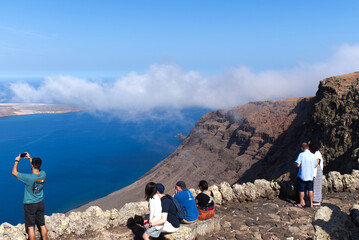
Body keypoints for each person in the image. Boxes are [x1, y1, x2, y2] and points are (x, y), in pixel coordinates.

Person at [12, 152, 47, 240]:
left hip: (30, 204)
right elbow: (36, 167)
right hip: (40, 203)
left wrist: (17, 161)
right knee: (42, 225)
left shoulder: (28, 178)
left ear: (32, 165)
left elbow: (14, 172)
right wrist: (30, 159)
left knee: (31, 227)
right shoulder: (43, 174)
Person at [295, 142, 317, 208]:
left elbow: (298, 165)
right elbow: (315, 165)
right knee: (310, 189)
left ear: (302, 148)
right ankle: (311, 203)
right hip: (310, 175)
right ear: (308, 148)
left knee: (301, 190)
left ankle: (301, 202)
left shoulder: (301, 155)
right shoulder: (313, 155)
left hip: (302, 175)